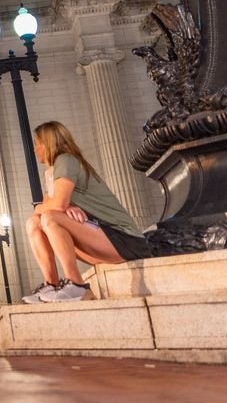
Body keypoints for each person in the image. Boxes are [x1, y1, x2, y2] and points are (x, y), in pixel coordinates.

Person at [23, 121, 152, 303]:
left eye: (38, 143)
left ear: (49, 143)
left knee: (50, 217)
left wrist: (57, 206)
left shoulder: (66, 160)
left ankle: (77, 285)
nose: (35, 150)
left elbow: (55, 205)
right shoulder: (51, 173)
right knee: (34, 222)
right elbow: (50, 205)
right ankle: (51, 285)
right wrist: (65, 206)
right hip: (100, 238)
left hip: (124, 240)